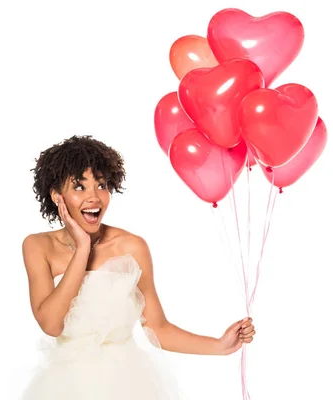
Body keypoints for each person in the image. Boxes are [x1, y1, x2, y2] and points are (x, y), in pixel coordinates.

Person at [20, 135, 256, 399]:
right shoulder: (37, 246)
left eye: (101, 185)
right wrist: (82, 249)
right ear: (56, 197)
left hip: (127, 383)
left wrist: (220, 346)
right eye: (79, 187)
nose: (94, 197)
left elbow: (158, 328)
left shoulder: (132, 246)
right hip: (65, 386)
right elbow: (51, 324)